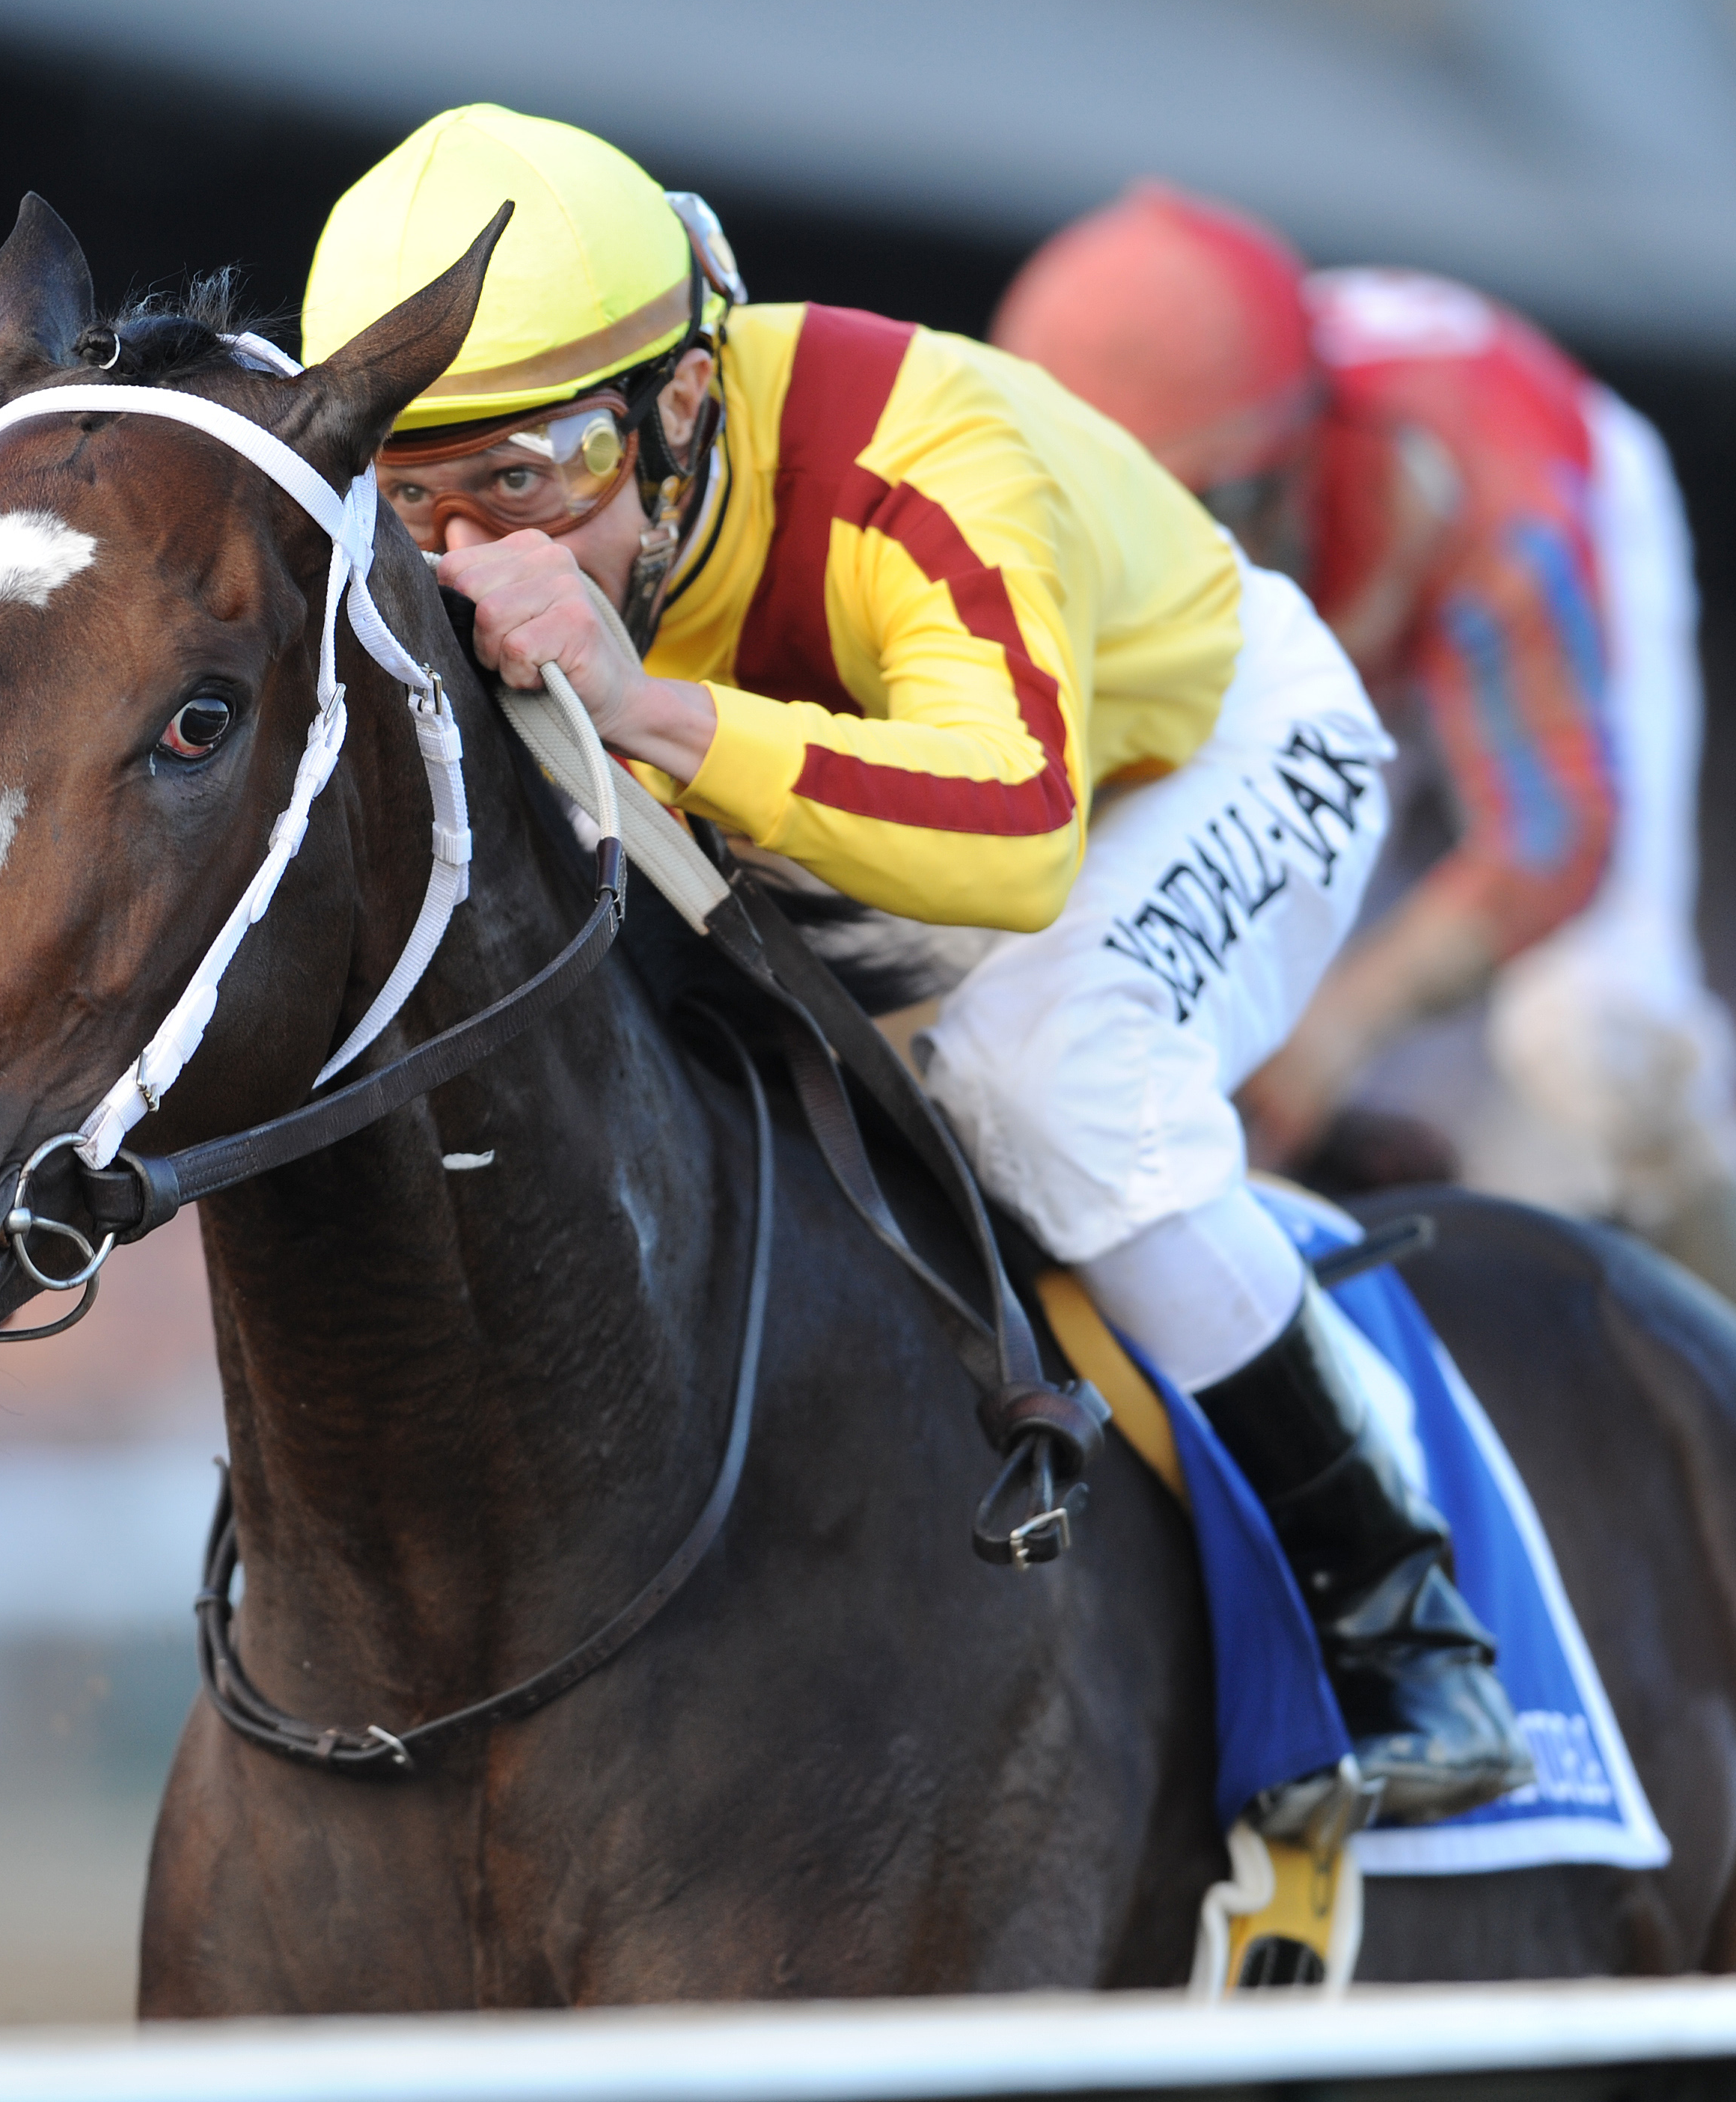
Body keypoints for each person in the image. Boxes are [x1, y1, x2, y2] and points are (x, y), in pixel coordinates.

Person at [304, 106, 1530, 1828]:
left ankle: (1403, 1624)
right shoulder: (533, 526)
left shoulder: (921, 453)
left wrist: (651, 707)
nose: (466, 562)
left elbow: (1020, 841)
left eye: (526, 479)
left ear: (679, 403)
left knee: (1040, 1065)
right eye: (407, 495)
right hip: (902, 795)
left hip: (1185, 762)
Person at [993, 182, 1736, 1354]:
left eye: (1210, 511)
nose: (1173, 560)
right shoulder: (1170, 448)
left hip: (1535, 519)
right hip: (1345, 597)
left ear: (1298, 451)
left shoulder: (1485, 485)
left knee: (1592, 1032)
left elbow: (1552, 835)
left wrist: (1342, 1026)